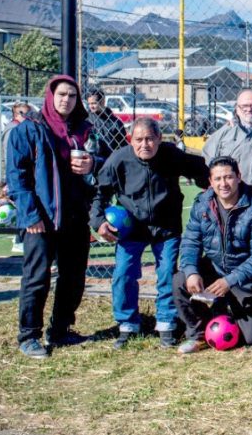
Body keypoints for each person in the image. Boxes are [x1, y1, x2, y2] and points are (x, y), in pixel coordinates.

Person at [90, 118, 210, 349]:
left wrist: (213, 186)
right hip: (131, 228)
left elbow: (201, 170)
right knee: (124, 273)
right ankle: (127, 324)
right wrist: (98, 222)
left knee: (166, 273)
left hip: (166, 228)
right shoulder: (119, 159)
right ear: (130, 140)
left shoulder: (172, 155)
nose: (145, 144)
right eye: (139, 139)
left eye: (150, 139)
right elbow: (100, 193)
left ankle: (165, 323)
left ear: (158, 139)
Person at [6, 75, 97, 359]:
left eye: (72, 95)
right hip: (41, 218)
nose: (66, 100)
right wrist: (30, 215)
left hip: (74, 216)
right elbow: (16, 177)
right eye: (61, 94)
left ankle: (60, 329)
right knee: (37, 278)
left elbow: (104, 163)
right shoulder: (29, 130)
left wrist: (92, 163)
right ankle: (29, 335)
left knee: (73, 276)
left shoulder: (84, 130)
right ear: (50, 96)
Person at [173, 156, 252, 353]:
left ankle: (229, 312)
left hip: (244, 277)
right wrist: (192, 271)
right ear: (210, 182)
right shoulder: (202, 204)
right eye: (217, 179)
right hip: (215, 268)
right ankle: (198, 335)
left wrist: (230, 281)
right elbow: (191, 241)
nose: (223, 183)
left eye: (228, 177)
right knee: (179, 280)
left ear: (238, 177)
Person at [202, 89, 252, 192]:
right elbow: (206, 167)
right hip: (228, 197)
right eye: (244, 106)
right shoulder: (222, 134)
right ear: (237, 109)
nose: (249, 109)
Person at [85, 88, 128, 160]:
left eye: (94, 103)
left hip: (111, 159)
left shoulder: (115, 123)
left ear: (103, 102)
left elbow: (123, 145)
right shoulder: (87, 120)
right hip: (92, 159)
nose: (91, 106)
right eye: (89, 103)